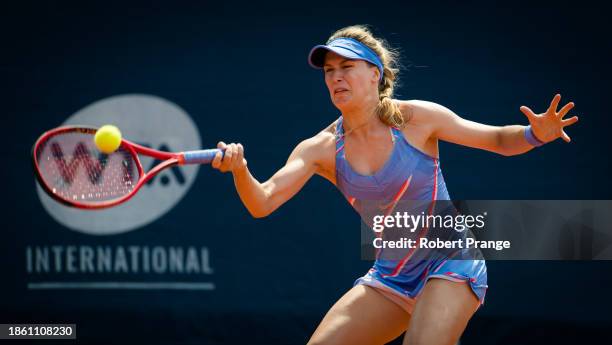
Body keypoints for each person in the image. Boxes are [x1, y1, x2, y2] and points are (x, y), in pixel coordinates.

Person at [211, 25, 579, 345]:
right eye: (329, 71)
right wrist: (241, 170)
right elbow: (263, 202)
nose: (336, 77)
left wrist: (535, 133)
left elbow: (498, 140)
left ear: (375, 74)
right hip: (392, 276)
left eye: (347, 67)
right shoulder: (318, 149)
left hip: (452, 261)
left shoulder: (417, 119)